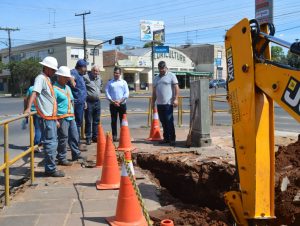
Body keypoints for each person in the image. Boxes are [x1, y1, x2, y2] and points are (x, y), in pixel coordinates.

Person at [24, 56, 64, 177]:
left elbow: (49, 100)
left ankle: (50, 168)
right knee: (50, 144)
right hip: (46, 118)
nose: (53, 72)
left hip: (50, 118)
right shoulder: (41, 78)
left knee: (52, 143)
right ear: (46, 68)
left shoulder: (46, 79)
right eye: (52, 69)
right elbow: (34, 93)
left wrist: (55, 118)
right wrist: (27, 108)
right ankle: (50, 169)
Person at [53, 66, 86, 166]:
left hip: (71, 116)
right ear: (59, 76)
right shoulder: (54, 89)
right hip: (61, 117)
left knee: (75, 136)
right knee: (63, 138)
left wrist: (74, 113)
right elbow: (52, 105)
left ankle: (76, 154)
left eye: (68, 77)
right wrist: (55, 119)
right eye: (65, 77)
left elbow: (71, 101)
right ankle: (61, 158)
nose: (67, 79)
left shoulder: (67, 87)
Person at [152, 61, 179, 146]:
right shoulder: (156, 78)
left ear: (166, 68)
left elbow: (176, 88)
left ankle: (172, 139)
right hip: (160, 104)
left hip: (168, 103)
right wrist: (153, 103)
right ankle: (166, 138)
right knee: (163, 121)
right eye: (160, 69)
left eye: (163, 69)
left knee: (169, 121)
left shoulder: (171, 75)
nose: (162, 70)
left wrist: (176, 99)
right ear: (158, 69)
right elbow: (154, 92)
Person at [105, 66, 129, 142]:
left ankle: (123, 135)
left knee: (123, 121)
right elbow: (107, 93)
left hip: (122, 104)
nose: (116, 74)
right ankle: (114, 136)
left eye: (118, 73)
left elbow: (126, 93)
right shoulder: (110, 82)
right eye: (115, 73)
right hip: (113, 105)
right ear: (113, 73)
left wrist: (120, 101)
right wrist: (113, 101)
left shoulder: (123, 82)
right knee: (113, 121)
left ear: (120, 74)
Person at [69, 59, 87, 146]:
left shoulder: (80, 75)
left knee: (78, 123)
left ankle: (77, 142)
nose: (86, 69)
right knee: (77, 124)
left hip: (81, 102)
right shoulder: (74, 72)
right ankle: (76, 143)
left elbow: (82, 90)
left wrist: (84, 101)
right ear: (81, 67)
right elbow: (70, 76)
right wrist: (72, 81)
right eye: (85, 67)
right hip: (76, 103)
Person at [83, 65, 102, 145]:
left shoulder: (99, 78)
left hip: (97, 102)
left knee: (96, 121)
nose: (96, 72)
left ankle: (95, 137)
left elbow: (100, 86)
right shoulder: (86, 77)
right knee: (88, 120)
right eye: (94, 71)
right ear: (91, 70)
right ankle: (88, 137)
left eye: (97, 71)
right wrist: (84, 101)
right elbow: (83, 89)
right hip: (89, 102)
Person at [25, 77, 42, 152]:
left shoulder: (31, 88)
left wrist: (25, 108)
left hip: (32, 111)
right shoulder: (42, 87)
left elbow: (26, 99)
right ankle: (36, 145)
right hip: (40, 111)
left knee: (38, 128)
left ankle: (37, 144)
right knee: (40, 129)